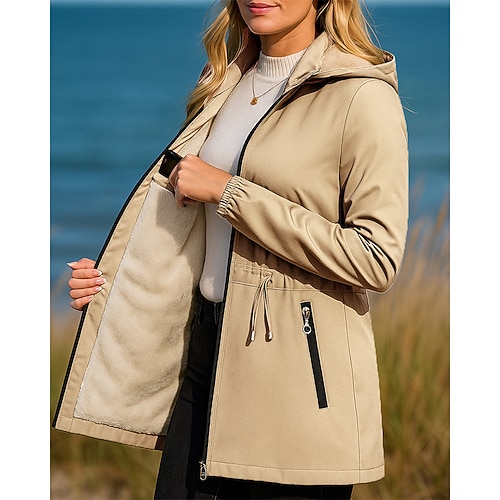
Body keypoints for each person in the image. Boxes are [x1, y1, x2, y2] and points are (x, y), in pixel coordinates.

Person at [54, 0, 408, 498]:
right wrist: (116, 282)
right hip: (204, 354)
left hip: (297, 387)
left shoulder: (361, 96)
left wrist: (230, 193)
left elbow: (376, 257)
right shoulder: (223, 81)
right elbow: (198, 234)